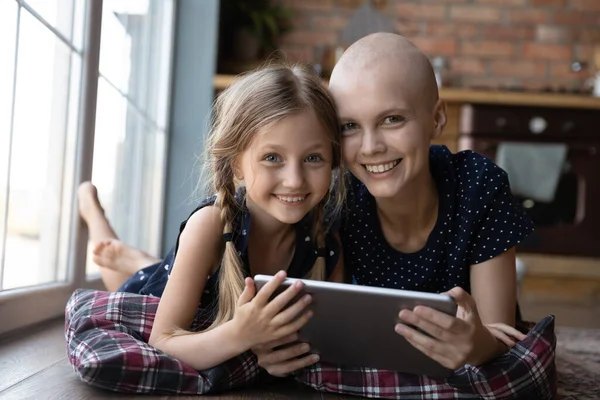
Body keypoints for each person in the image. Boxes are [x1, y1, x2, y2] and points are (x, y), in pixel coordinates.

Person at [253, 33, 532, 376]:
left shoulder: (479, 186)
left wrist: (478, 346)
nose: (370, 147)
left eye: (392, 119)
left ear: (437, 119)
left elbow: (499, 338)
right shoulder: (336, 193)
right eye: (350, 126)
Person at [77, 63, 347, 372]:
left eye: (313, 158)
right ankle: (92, 209)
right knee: (126, 284)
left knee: (173, 275)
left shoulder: (327, 238)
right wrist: (241, 335)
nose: (295, 180)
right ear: (236, 165)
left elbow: (325, 340)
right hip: (153, 299)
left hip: (208, 298)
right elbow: (161, 342)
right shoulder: (209, 226)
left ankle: (140, 260)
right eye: (273, 158)